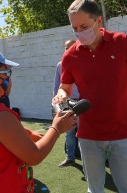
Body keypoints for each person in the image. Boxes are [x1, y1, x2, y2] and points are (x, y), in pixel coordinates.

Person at [52, 0, 127, 193]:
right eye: (74, 28)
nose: (79, 32)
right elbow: (65, 87)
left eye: (83, 26)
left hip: (122, 132)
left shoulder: (122, 42)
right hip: (88, 135)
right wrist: (60, 95)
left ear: (99, 21)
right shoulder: (70, 55)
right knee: (94, 189)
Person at [0, 43, 77, 192]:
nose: (9, 77)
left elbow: (8, 133)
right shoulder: (1, 117)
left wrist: (30, 134)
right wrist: (56, 128)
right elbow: (34, 156)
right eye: (6, 72)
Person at [54, 39, 80, 167]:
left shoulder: (84, 63)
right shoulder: (60, 65)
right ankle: (70, 157)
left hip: (82, 102)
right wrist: (57, 104)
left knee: (84, 133)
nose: (69, 50)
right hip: (67, 103)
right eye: (66, 48)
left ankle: (88, 162)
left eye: (72, 47)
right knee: (69, 132)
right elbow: (57, 87)